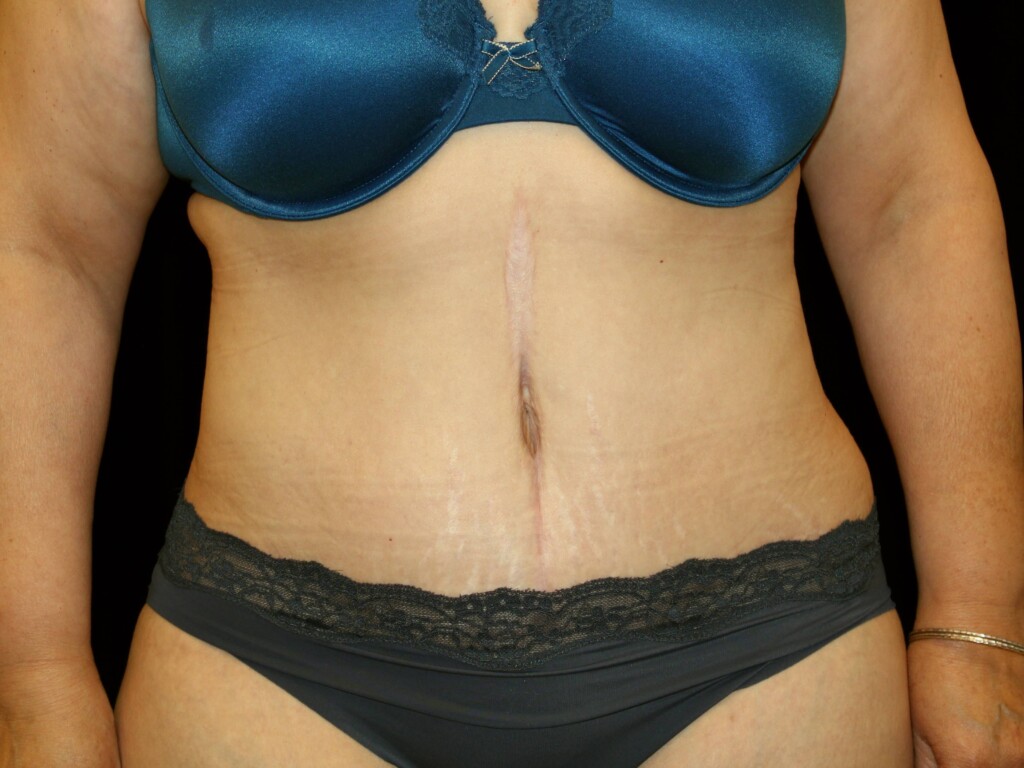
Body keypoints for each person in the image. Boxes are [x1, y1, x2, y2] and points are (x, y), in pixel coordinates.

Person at [1, 0, 1021, 766]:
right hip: (276, 680)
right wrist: (33, 679)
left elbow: (911, 200)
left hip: (768, 663)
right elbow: (44, 248)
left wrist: (981, 618)